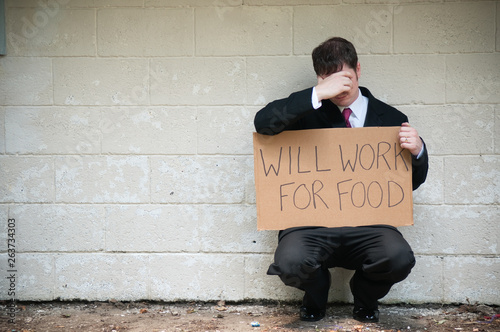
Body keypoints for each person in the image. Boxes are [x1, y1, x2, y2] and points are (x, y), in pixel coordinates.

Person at [254, 37, 429, 323]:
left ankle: (364, 297)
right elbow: (263, 123)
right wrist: (317, 93)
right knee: (290, 262)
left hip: (369, 225)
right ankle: (316, 294)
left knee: (398, 257)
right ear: (320, 78)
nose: (341, 88)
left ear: (358, 70)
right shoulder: (305, 112)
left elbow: (409, 184)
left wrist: (418, 150)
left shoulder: (391, 117)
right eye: (329, 80)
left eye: (345, 77)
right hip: (310, 223)